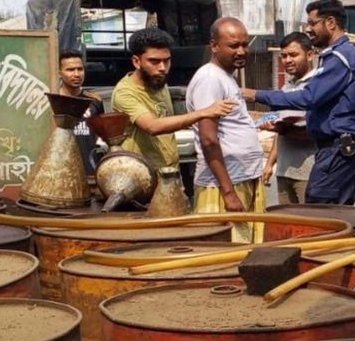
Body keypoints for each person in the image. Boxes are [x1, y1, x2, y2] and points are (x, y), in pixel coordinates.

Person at [241, 0, 355, 205]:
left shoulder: (340, 58)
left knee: (320, 212)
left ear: (330, 22)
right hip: (338, 148)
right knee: (334, 215)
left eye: (312, 23)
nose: (308, 29)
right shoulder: (337, 56)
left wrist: (256, 95)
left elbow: (309, 97)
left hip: (339, 149)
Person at [111, 27, 236, 171]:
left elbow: (168, 119)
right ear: (136, 61)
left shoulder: (158, 82)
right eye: (154, 61)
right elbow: (153, 126)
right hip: (142, 178)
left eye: (167, 61)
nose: (163, 68)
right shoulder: (125, 92)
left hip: (169, 173)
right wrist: (203, 112)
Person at [187, 17, 267, 243]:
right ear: (214, 46)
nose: (241, 51)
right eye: (233, 46)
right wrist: (229, 192)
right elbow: (209, 139)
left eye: (244, 44)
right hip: (224, 185)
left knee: (248, 249)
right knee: (227, 252)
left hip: (241, 178)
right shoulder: (210, 78)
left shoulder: (226, 78)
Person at [260, 32, 317, 204]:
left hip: (308, 172)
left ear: (310, 55)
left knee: (310, 225)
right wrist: (270, 164)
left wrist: (282, 128)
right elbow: (280, 131)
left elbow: (316, 130)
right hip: (284, 171)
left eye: (293, 55)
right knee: (287, 224)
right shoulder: (287, 86)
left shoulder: (317, 86)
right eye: (284, 56)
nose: (287, 60)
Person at [56, 48, 105, 176]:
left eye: (80, 69)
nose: (77, 74)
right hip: (59, 169)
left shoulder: (95, 101)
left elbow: (101, 136)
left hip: (89, 169)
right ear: (59, 73)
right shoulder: (53, 101)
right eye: (70, 70)